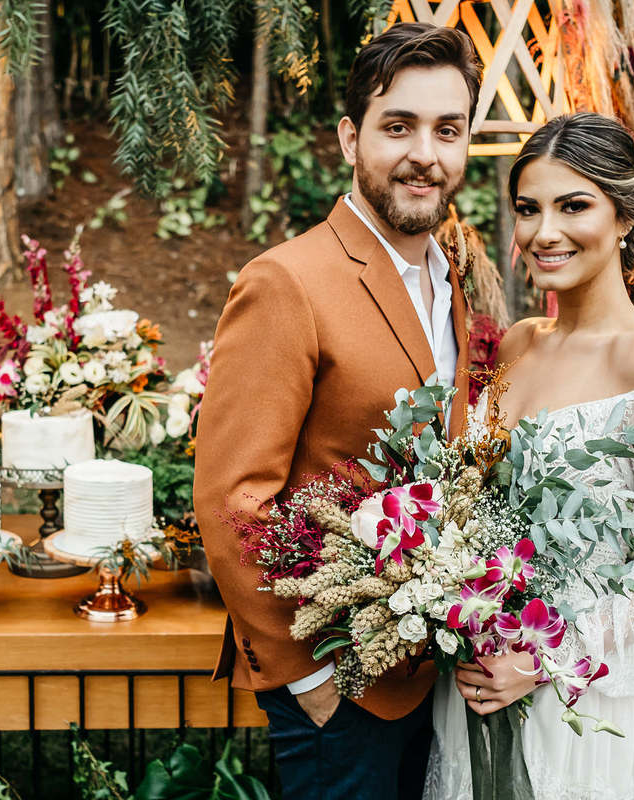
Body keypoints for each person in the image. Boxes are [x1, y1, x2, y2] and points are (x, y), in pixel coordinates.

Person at [194, 22, 481, 800]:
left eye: (447, 130)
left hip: (430, 672)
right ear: (351, 138)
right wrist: (312, 679)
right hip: (338, 686)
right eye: (399, 127)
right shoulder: (285, 283)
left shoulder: (448, 279)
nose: (425, 154)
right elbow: (230, 500)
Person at [423, 112, 634, 800]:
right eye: (528, 208)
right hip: (473, 680)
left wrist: (544, 656)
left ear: (624, 218)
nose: (543, 232)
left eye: (573, 206)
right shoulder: (520, 343)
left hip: (571, 696)